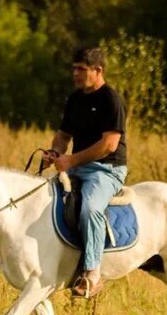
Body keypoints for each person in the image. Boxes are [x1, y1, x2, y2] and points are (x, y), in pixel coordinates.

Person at [45, 46, 128, 299]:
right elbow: (63, 136)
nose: (75, 74)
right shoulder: (75, 99)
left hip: (107, 169)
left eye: (81, 69)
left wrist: (71, 160)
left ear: (97, 70)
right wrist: (55, 152)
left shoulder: (111, 100)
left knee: (91, 209)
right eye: (74, 69)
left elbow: (109, 145)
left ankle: (92, 273)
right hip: (77, 167)